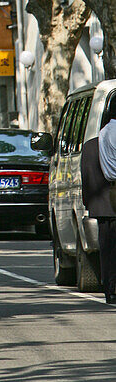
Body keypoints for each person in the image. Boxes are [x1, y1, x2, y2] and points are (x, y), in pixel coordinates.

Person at [81, 117, 116, 304]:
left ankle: (109, 289)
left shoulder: (90, 146)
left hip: (102, 205)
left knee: (107, 249)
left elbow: (86, 179)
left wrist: (88, 204)